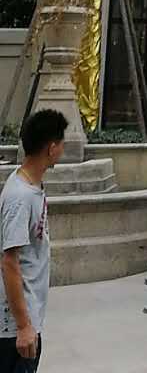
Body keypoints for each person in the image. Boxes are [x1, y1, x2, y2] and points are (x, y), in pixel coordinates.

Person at [0, 108, 68, 373]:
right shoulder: (20, 197)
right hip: (14, 330)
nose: (63, 149)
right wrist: (23, 326)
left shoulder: (32, 186)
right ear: (51, 148)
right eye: (61, 143)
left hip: (28, 320)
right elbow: (9, 262)